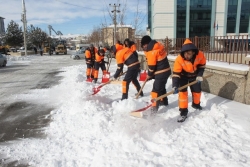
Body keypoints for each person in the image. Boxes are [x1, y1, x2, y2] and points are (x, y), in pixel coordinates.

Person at [172, 39, 206, 122]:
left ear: (193, 52)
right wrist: (175, 85)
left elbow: (202, 65)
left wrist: (199, 75)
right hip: (183, 76)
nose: (186, 55)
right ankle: (183, 112)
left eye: (189, 53)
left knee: (197, 91)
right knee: (182, 93)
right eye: (185, 53)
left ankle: (196, 105)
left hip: (194, 76)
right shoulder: (179, 59)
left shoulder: (200, 55)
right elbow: (176, 73)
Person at [140, 35, 171, 114]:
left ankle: (153, 110)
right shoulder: (156, 46)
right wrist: (151, 75)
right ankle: (164, 101)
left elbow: (152, 67)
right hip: (165, 70)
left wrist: (149, 75)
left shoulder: (151, 51)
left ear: (146, 44)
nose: (143, 48)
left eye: (143, 45)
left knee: (155, 90)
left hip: (161, 72)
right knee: (161, 87)